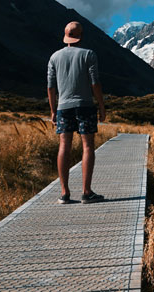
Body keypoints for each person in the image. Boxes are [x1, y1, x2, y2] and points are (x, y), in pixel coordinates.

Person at [47, 21, 107, 204]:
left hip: (63, 107)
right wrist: (101, 105)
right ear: (81, 36)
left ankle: (64, 193)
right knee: (87, 146)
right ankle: (86, 192)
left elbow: (50, 87)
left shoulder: (54, 57)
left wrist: (52, 111)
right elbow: (94, 83)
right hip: (85, 106)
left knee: (64, 145)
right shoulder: (89, 54)